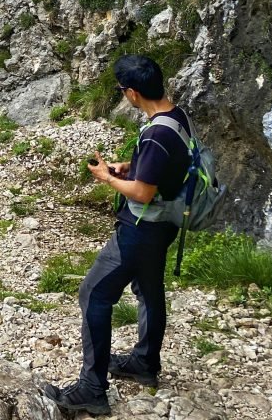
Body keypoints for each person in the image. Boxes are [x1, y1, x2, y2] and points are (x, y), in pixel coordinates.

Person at [42, 54, 192, 415]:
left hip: (141, 229)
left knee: (93, 293)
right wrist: (128, 166)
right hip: (166, 224)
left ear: (133, 93)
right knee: (149, 290)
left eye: (123, 90)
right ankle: (144, 363)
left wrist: (109, 178)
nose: (124, 95)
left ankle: (92, 389)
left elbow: (142, 192)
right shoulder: (176, 117)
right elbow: (166, 166)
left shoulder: (156, 133)